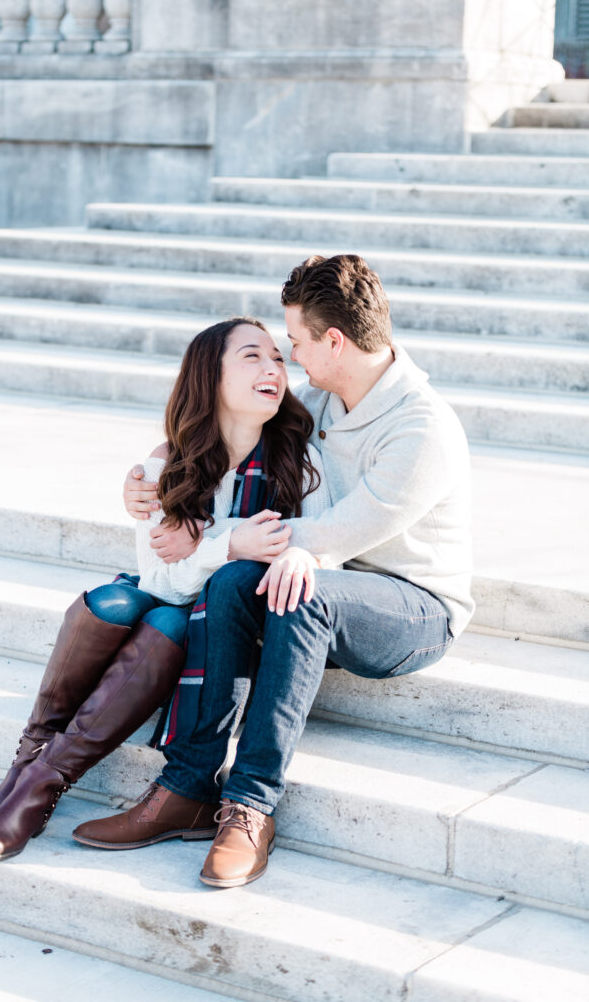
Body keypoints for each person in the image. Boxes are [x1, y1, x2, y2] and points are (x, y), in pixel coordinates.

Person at [79, 254, 474, 889]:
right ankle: (185, 787)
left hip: (413, 608)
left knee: (298, 587)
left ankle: (251, 806)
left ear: (335, 341)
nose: (290, 358)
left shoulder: (422, 428)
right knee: (233, 582)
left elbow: (342, 533)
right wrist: (154, 475)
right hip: (319, 578)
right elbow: (223, 423)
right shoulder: (319, 400)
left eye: (295, 342)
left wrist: (226, 539)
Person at [0, 317, 330, 862]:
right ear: (210, 377)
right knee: (114, 601)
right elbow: (163, 579)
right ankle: (32, 764)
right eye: (252, 356)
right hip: (173, 598)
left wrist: (212, 543)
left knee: (165, 620)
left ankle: (40, 781)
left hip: (232, 627)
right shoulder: (167, 463)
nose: (273, 368)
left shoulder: (300, 461)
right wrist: (232, 544)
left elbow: (298, 548)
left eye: (278, 358)